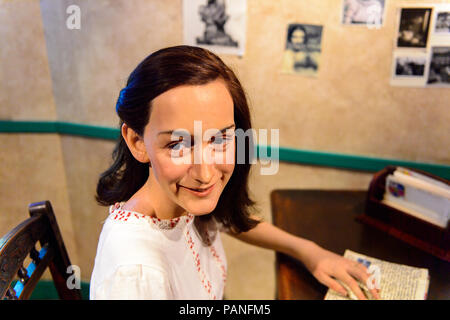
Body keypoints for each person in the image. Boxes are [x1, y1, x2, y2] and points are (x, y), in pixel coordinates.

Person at [90, 45, 380, 300]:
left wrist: (310, 251)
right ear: (137, 142)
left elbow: (229, 219)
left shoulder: (180, 202)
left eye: (220, 139)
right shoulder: (135, 274)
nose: (205, 174)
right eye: (178, 144)